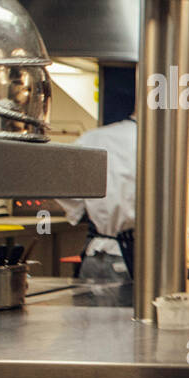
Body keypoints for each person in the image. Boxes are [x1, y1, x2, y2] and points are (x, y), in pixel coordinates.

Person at [57, 114, 136, 286]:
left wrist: (89, 213)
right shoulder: (155, 141)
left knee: (91, 313)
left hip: (95, 255)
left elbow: (61, 185)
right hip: (132, 261)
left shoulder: (92, 137)